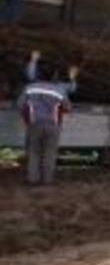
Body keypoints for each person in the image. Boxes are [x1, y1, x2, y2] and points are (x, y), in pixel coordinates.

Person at [17, 52, 79, 185]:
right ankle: (47, 180)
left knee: (33, 152)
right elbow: (68, 106)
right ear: (54, 76)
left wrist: (27, 114)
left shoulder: (30, 88)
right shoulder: (59, 90)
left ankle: (32, 179)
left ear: (39, 74)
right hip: (53, 125)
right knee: (49, 153)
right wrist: (72, 77)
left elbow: (20, 104)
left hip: (34, 123)